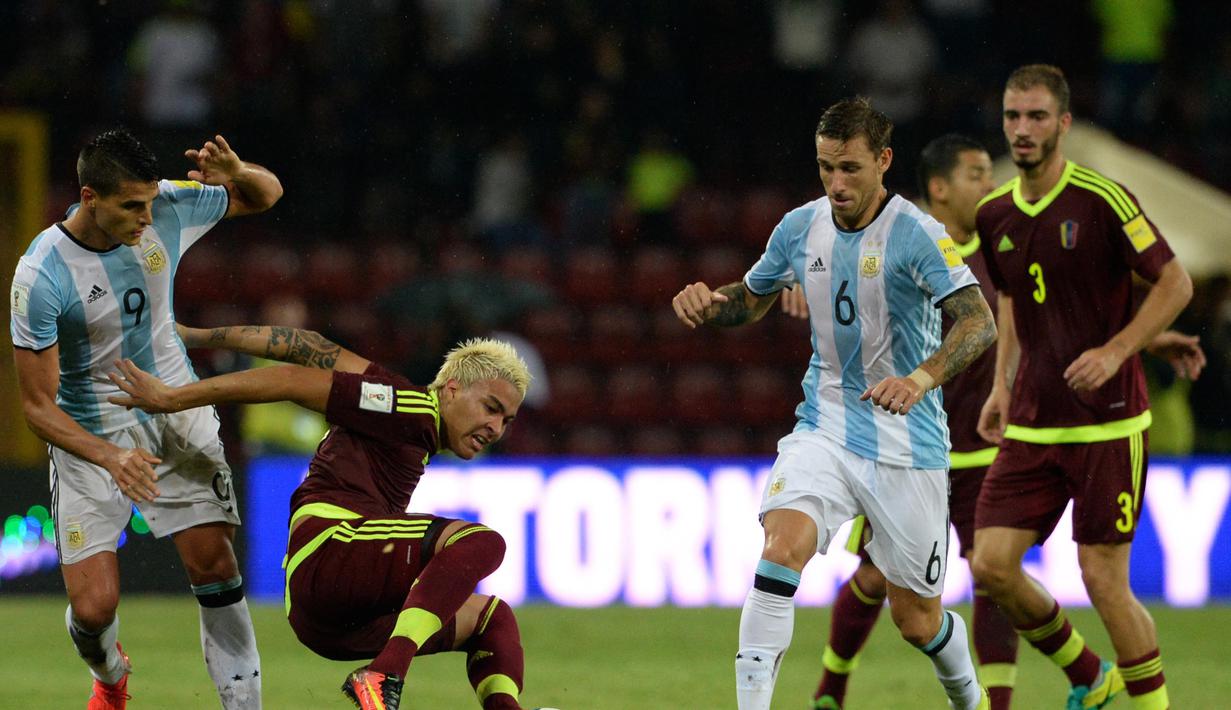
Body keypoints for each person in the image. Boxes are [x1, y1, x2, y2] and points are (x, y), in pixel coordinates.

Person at [672, 97, 998, 710]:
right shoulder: (799, 228)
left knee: (918, 621)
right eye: (825, 168)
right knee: (780, 549)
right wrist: (710, 305)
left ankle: (972, 701)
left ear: (884, 161)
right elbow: (750, 298)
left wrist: (920, 379)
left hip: (909, 444)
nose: (836, 183)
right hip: (824, 425)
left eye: (850, 168)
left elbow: (978, 325)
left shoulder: (919, 234)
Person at [108, 324, 534, 710]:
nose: (496, 427)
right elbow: (291, 380)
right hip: (332, 547)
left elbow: (310, 347)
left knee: (491, 618)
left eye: (507, 420)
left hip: (329, 620)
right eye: (491, 407)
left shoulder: (396, 401)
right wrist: (172, 398)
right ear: (453, 390)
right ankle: (386, 672)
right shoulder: (407, 406)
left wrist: (198, 336)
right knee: (481, 542)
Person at [9, 128, 282, 709]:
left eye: (148, 201)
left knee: (214, 563)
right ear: (89, 198)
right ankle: (109, 677)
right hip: (92, 434)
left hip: (174, 406)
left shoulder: (165, 205)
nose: (144, 216)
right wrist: (110, 456)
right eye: (131, 206)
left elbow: (266, 195)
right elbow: (36, 406)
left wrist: (236, 171)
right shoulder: (40, 275)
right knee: (93, 608)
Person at [971, 64, 1195, 710]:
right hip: (1032, 424)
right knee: (990, 564)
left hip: (1107, 424)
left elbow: (1174, 282)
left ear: (1062, 124)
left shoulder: (1102, 198)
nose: (1022, 129)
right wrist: (998, 386)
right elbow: (1012, 304)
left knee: (1101, 578)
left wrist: (1117, 349)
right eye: (1012, 117)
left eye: (1036, 116)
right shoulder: (994, 214)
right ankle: (1088, 673)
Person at [804, 133, 1019, 710]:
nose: (990, 185)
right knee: (876, 578)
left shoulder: (1004, 249)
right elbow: (834, 282)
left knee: (994, 577)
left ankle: (997, 703)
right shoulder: (907, 240)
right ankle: (832, 684)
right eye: (977, 174)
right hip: (904, 445)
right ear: (941, 187)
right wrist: (800, 290)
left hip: (985, 446)